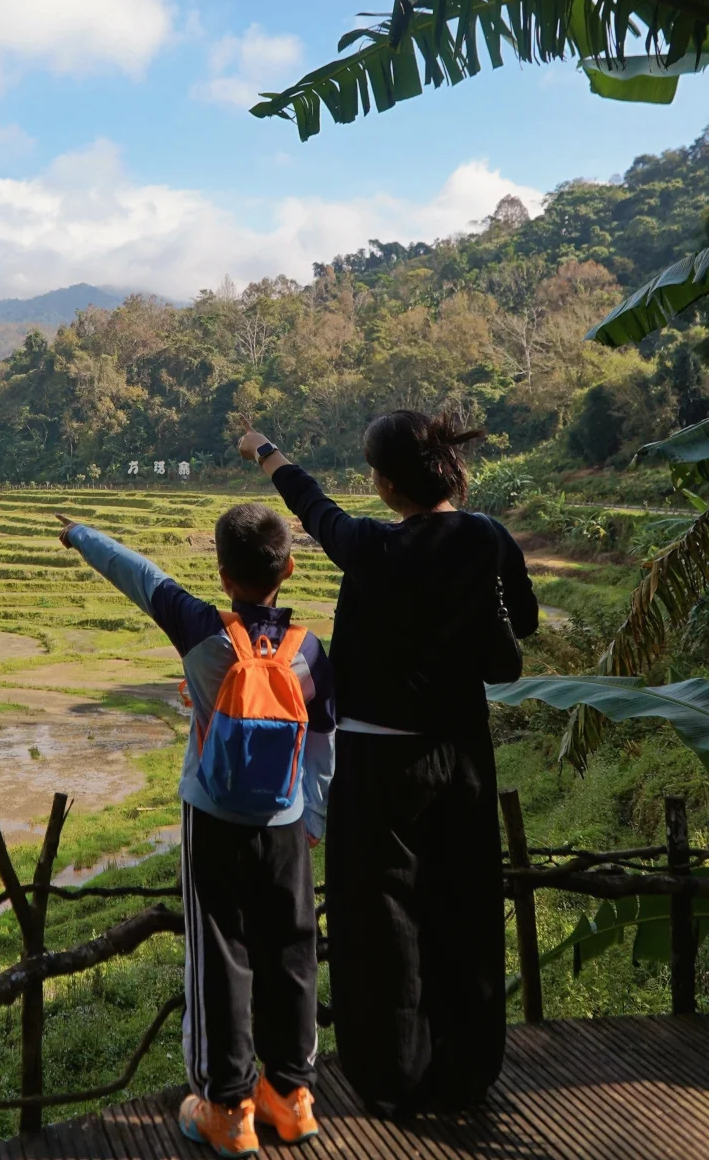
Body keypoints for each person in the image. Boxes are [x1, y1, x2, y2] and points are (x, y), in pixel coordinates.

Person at [237, 411, 538, 1117]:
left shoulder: (370, 544)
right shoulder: (488, 537)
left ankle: (394, 1075)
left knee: (382, 916)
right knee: (462, 902)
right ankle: (467, 1069)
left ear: (388, 482)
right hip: (461, 754)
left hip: (377, 759)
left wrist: (264, 449)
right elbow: (520, 624)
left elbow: (311, 504)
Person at [57, 502, 335, 1155]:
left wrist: (80, 535)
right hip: (288, 822)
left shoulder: (203, 631)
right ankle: (292, 1097)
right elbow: (324, 741)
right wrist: (314, 814)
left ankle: (226, 1106)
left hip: (213, 819)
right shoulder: (311, 651)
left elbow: (138, 574)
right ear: (288, 568)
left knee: (221, 957)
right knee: (293, 950)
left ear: (221, 571)